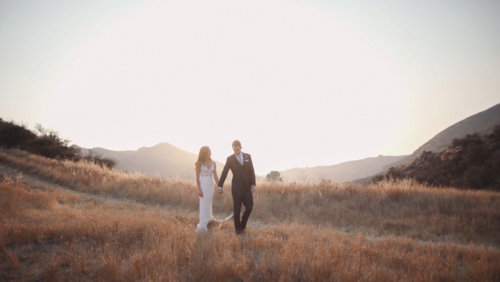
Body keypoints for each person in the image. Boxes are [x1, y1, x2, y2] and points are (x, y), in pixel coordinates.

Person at [218, 140, 256, 235]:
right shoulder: (230, 159)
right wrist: (220, 185)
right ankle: (238, 231)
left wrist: (253, 184)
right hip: (236, 187)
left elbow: (251, 171)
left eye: (237, 150)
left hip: (247, 187)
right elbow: (224, 172)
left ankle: (242, 225)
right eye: (234, 150)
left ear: (241, 147)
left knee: (249, 206)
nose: (236, 152)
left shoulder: (248, 156)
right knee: (237, 209)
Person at [195, 146, 219, 233]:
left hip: (210, 185)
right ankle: (202, 226)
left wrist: (219, 186)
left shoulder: (213, 163)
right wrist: (199, 190)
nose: (211, 153)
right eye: (209, 151)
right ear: (205, 152)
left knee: (208, 203)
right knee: (203, 204)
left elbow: (215, 176)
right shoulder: (199, 163)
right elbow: (197, 178)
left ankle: (209, 219)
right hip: (203, 184)